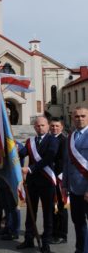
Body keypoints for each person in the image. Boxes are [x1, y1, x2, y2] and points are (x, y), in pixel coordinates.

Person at [17, 116, 59, 253]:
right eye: (37, 125)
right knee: (31, 211)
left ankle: (45, 242)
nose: (40, 128)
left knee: (48, 213)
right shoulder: (30, 141)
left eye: (42, 125)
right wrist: (14, 149)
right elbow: (22, 152)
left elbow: (49, 157)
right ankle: (29, 239)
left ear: (47, 126)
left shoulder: (53, 140)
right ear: (34, 127)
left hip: (47, 181)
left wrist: (30, 169)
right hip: (33, 182)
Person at [63, 107, 88, 253]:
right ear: (73, 118)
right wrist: (65, 185)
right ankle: (80, 249)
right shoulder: (70, 137)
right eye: (77, 116)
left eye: (83, 116)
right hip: (74, 188)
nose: (80, 119)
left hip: (86, 188)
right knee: (78, 223)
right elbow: (67, 163)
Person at [49, 117, 68, 245]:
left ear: (61, 127)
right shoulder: (49, 139)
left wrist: (56, 173)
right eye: (52, 126)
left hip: (59, 178)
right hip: (50, 177)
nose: (54, 128)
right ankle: (53, 232)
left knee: (61, 207)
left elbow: (64, 160)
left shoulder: (64, 141)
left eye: (57, 126)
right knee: (52, 207)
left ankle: (62, 234)